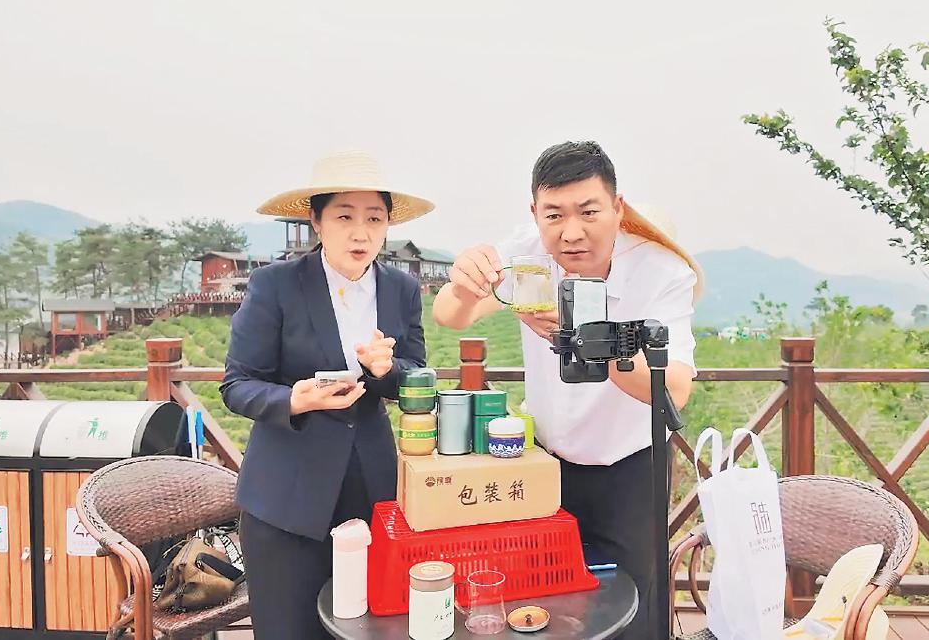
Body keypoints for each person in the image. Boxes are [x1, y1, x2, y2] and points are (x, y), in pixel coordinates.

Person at [432, 140, 703, 637]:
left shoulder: (660, 271)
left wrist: (583, 336)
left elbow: (675, 390)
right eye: (553, 215)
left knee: (631, 603)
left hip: (631, 466)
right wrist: (464, 285)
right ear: (534, 213)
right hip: (545, 462)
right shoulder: (527, 255)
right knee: (544, 598)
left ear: (618, 208)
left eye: (589, 212)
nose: (571, 232)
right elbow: (451, 315)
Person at [221, 150, 433, 640]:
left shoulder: (400, 288)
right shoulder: (276, 284)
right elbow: (238, 384)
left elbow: (415, 373)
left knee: (373, 625)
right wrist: (294, 400)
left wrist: (386, 371)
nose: (360, 233)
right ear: (316, 221)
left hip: (373, 489)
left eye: (374, 219)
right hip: (287, 497)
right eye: (344, 217)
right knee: (289, 628)